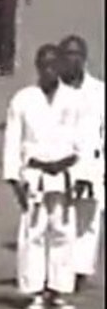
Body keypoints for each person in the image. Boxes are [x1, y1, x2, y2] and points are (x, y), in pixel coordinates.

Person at [3, 44, 92, 309]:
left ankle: (58, 290)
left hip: (64, 173)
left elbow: (84, 142)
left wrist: (82, 176)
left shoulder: (75, 100)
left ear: (61, 67)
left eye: (54, 65)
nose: (49, 70)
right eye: (44, 65)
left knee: (62, 233)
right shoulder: (23, 99)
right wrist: (13, 178)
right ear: (37, 67)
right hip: (35, 174)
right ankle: (35, 291)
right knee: (34, 232)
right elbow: (12, 141)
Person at [57, 35, 104, 292]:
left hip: (91, 162)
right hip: (59, 164)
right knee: (59, 218)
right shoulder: (52, 90)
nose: (72, 59)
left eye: (77, 54)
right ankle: (57, 269)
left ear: (84, 59)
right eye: (67, 54)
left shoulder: (99, 91)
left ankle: (80, 271)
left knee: (87, 220)